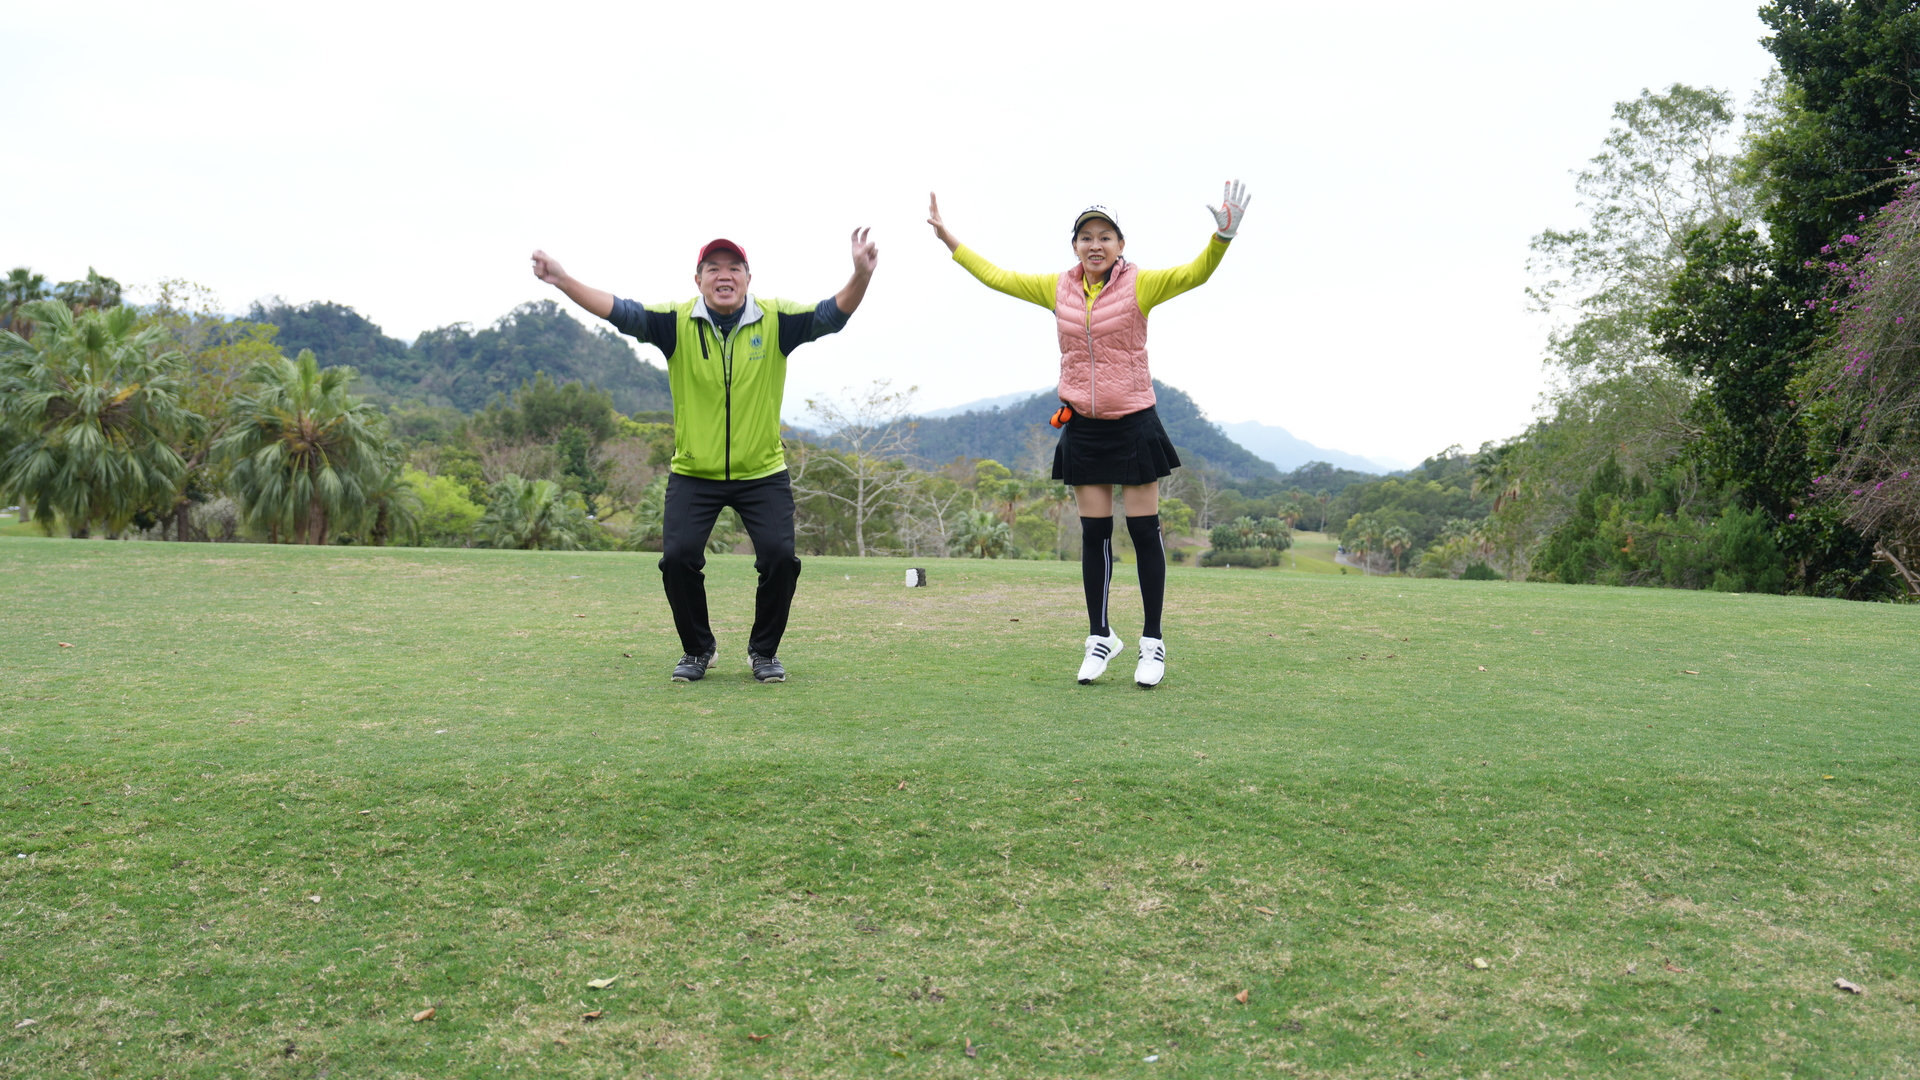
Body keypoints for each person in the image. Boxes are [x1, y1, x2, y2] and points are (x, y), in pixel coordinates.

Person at [926, 182, 1249, 688]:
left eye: (1105, 236)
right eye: (1086, 237)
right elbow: (999, 277)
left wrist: (1221, 239)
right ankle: (1100, 636)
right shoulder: (1058, 288)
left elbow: (1194, 274)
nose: (1095, 245)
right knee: (1094, 537)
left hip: (1134, 423)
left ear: (1121, 244)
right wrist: (950, 240)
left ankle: (1152, 642)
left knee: (1144, 533)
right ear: (1075, 245)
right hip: (1083, 427)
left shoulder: (1141, 284)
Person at [529, 230, 879, 683]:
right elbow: (619, 311)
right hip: (694, 472)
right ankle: (698, 649)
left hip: (762, 471)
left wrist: (860, 274)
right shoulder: (676, 323)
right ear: (698, 280)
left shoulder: (776, 320)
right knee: (677, 558)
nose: (724, 275)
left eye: (734, 268)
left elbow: (831, 315)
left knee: (780, 558)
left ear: (748, 278)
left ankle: (763, 652)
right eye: (713, 268)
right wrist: (562, 280)